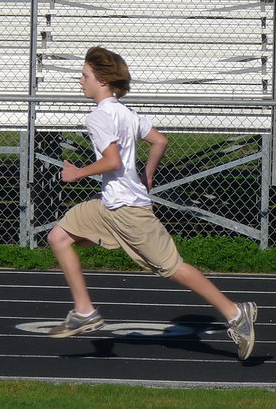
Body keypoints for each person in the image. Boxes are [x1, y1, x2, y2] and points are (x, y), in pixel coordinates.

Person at [46, 46, 258, 359]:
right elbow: (160, 140)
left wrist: (77, 173)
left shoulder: (98, 116)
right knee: (58, 236)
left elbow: (113, 161)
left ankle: (235, 313)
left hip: (128, 211)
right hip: (109, 205)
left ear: (102, 81)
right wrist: (147, 174)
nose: (80, 81)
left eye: (85, 75)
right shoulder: (125, 113)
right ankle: (84, 311)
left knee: (171, 267)